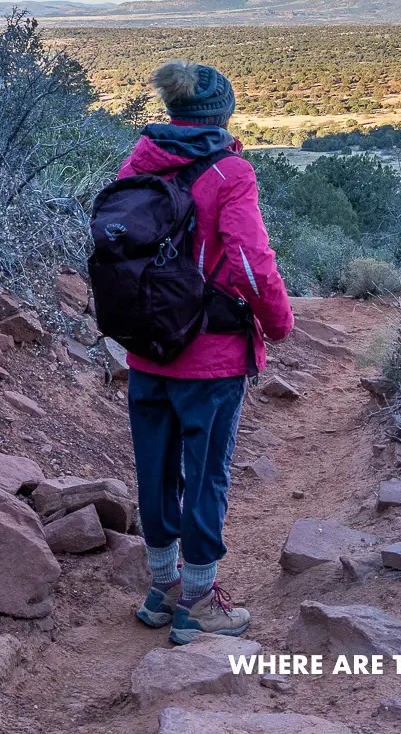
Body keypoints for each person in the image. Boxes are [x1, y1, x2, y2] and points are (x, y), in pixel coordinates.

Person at [120, 60, 293, 643]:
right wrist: (278, 321)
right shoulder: (229, 172)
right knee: (206, 475)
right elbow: (249, 261)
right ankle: (198, 600)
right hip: (211, 354)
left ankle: (160, 588)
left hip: (146, 348)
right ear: (221, 114)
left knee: (156, 467)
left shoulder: (138, 159)